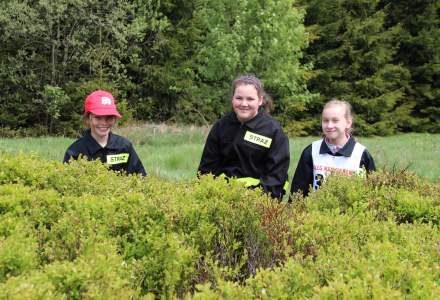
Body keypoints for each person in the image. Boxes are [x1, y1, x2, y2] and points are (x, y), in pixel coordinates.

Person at [198, 74, 290, 199]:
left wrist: (252, 201)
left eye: (250, 99)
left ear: (260, 100)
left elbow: (276, 176)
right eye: (239, 98)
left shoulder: (273, 131)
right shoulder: (221, 126)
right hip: (221, 198)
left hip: (259, 201)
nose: (244, 103)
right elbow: (206, 170)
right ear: (232, 99)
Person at [290, 99, 375, 197]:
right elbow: (297, 193)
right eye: (325, 120)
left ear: (348, 122)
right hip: (314, 211)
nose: (329, 125)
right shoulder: (311, 151)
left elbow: (372, 194)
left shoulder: (361, 155)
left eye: (335, 120)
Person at [63, 90, 146, 176]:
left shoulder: (124, 147)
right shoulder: (75, 151)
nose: (104, 123)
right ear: (88, 118)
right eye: (98, 118)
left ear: (114, 119)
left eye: (109, 118)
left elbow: (141, 178)